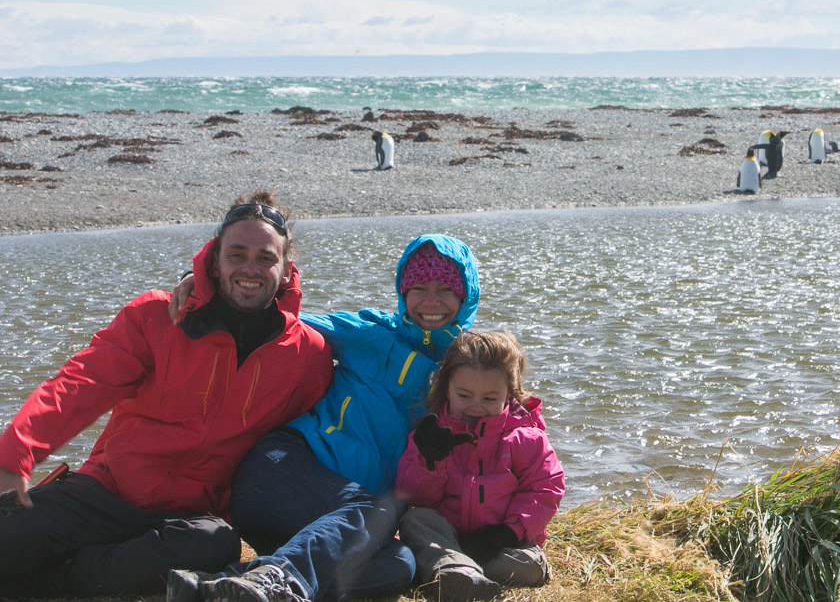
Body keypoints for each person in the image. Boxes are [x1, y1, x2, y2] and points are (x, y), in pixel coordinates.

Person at [0, 192, 334, 598]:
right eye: (237, 254)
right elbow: (81, 383)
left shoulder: (308, 355)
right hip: (106, 491)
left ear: (285, 270)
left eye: (265, 257)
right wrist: (17, 452)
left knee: (216, 543)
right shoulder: (158, 317)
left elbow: (319, 439)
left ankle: (48, 580)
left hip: (190, 521)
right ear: (214, 259)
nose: (251, 268)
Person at [168, 234, 480, 602]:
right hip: (281, 470)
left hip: (334, 522)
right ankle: (274, 581)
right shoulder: (370, 333)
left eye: (445, 289)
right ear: (402, 290)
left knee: (399, 565)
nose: (431, 301)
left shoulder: (467, 366)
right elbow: (277, 319)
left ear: (466, 296)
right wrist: (205, 283)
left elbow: (510, 423)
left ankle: (217, 586)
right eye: (419, 288)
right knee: (373, 510)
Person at [396, 330, 565, 602]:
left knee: (529, 565)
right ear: (447, 387)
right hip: (448, 535)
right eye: (464, 395)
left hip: (504, 543)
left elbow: (545, 489)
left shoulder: (526, 438)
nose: (475, 407)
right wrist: (430, 464)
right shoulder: (431, 434)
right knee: (415, 521)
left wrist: (508, 532)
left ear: (510, 393)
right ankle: (457, 569)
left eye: (489, 398)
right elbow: (415, 497)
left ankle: (453, 571)